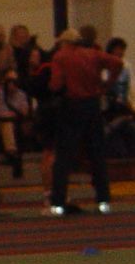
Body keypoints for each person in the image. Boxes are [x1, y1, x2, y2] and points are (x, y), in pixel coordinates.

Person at [47, 27, 123, 216]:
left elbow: (56, 84)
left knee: (63, 156)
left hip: (71, 106)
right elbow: (117, 63)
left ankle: (58, 202)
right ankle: (103, 199)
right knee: (97, 155)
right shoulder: (94, 54)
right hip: (92, 105)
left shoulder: (61, 57)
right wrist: (106, 84)